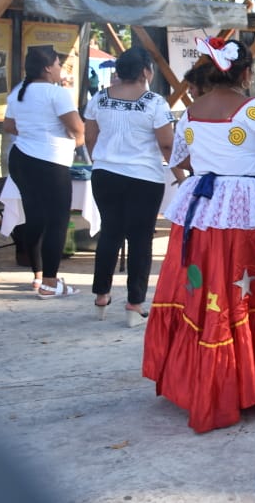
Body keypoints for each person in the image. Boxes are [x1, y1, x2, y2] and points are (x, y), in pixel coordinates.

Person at [142, 38, 255, 432]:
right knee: (250, 290)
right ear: (246, 73)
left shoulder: (190, 113)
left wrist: (213, 158)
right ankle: (253, 384)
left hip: (201, 209)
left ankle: (203, 382)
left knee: (203, 290)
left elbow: (181, 159)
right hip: (246, 209)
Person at [83, 48, 174, 327]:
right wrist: (179, 170)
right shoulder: (154, 103)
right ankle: (134, 304)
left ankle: (101, 295)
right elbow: (167, 143)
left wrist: (100, 159)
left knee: (110, 232)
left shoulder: (99, 97)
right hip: (144, 177)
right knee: (140, 239)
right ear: (146, 71)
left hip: (105, 173)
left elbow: (90, 136)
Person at [4, 46, 85, 298]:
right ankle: (51, 283)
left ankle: (38, 277)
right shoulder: (56, 93)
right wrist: (75, 143)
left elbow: (8, 125)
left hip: (21, 158)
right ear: (48, 67)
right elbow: (77, 128)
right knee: (57, 221)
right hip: (50, 161)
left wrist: (32, 134)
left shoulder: (19, 91)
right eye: (59, 64)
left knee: (35, 218)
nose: (61, 69)